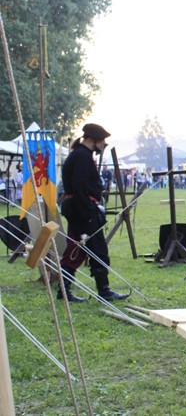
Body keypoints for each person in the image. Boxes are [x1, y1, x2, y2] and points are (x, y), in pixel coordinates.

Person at [59, 123, 129, 302]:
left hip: (79, 208)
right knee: (97, 248)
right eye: (102, 140)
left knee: (76, 249)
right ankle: (103, 291)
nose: (104, 143)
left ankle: (64, 291)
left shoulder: (81, 154)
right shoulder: (82, 156)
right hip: (82, 210)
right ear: (93, 139)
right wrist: (88, 213)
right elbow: (79, 186)